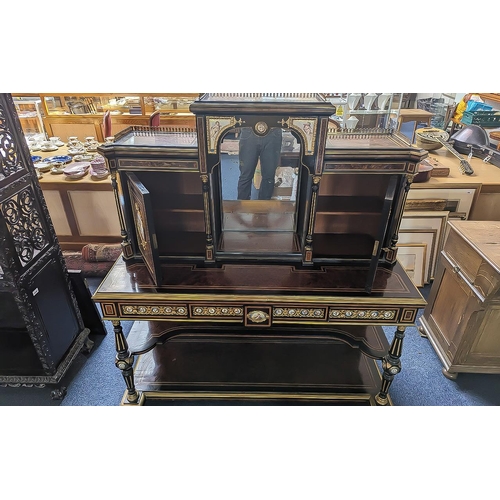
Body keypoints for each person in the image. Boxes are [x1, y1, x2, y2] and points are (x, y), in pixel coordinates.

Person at [237, 126, 282, 200]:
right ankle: (242, 209)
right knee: (245, 175)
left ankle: (263, 209)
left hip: (273, 131)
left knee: (269, 177)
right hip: (249, 130)